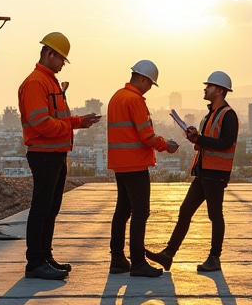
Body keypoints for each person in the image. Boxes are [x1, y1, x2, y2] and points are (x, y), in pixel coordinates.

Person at [18, 32, 101, 280]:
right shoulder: (36, 83)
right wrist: (70, 126)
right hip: (44, 154)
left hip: (54, 153)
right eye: (62, 59)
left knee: (51, 207)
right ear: (50, 54)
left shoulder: (50, 81)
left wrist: (78, 122)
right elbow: (41, 123)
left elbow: (57, 119)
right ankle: (35, 262)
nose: (63, 64)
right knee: (42, 207)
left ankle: (45, 256)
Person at [146, 70, 238, 273]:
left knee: (215, 215)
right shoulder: (211, 114)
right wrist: (196, 138)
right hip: (204, 171)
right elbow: (210, 142)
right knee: (185, 211)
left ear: (220, 91)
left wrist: (200, 139)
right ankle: (168, 254)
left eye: (209, 86)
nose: (205, 89)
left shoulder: (227, 115)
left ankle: (215, 258)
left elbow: (225, 143)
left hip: (216, 173)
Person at [106, 60, 179, 277]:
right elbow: (146, 136)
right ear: (142, 79)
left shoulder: (116, 97)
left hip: (120, 163)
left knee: (122, 211)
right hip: (135, 163)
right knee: (140, 212)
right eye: (150, 84)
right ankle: (138, 261)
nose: (149, 88)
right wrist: (167, 146)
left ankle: (117, 259)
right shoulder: (135, 100)